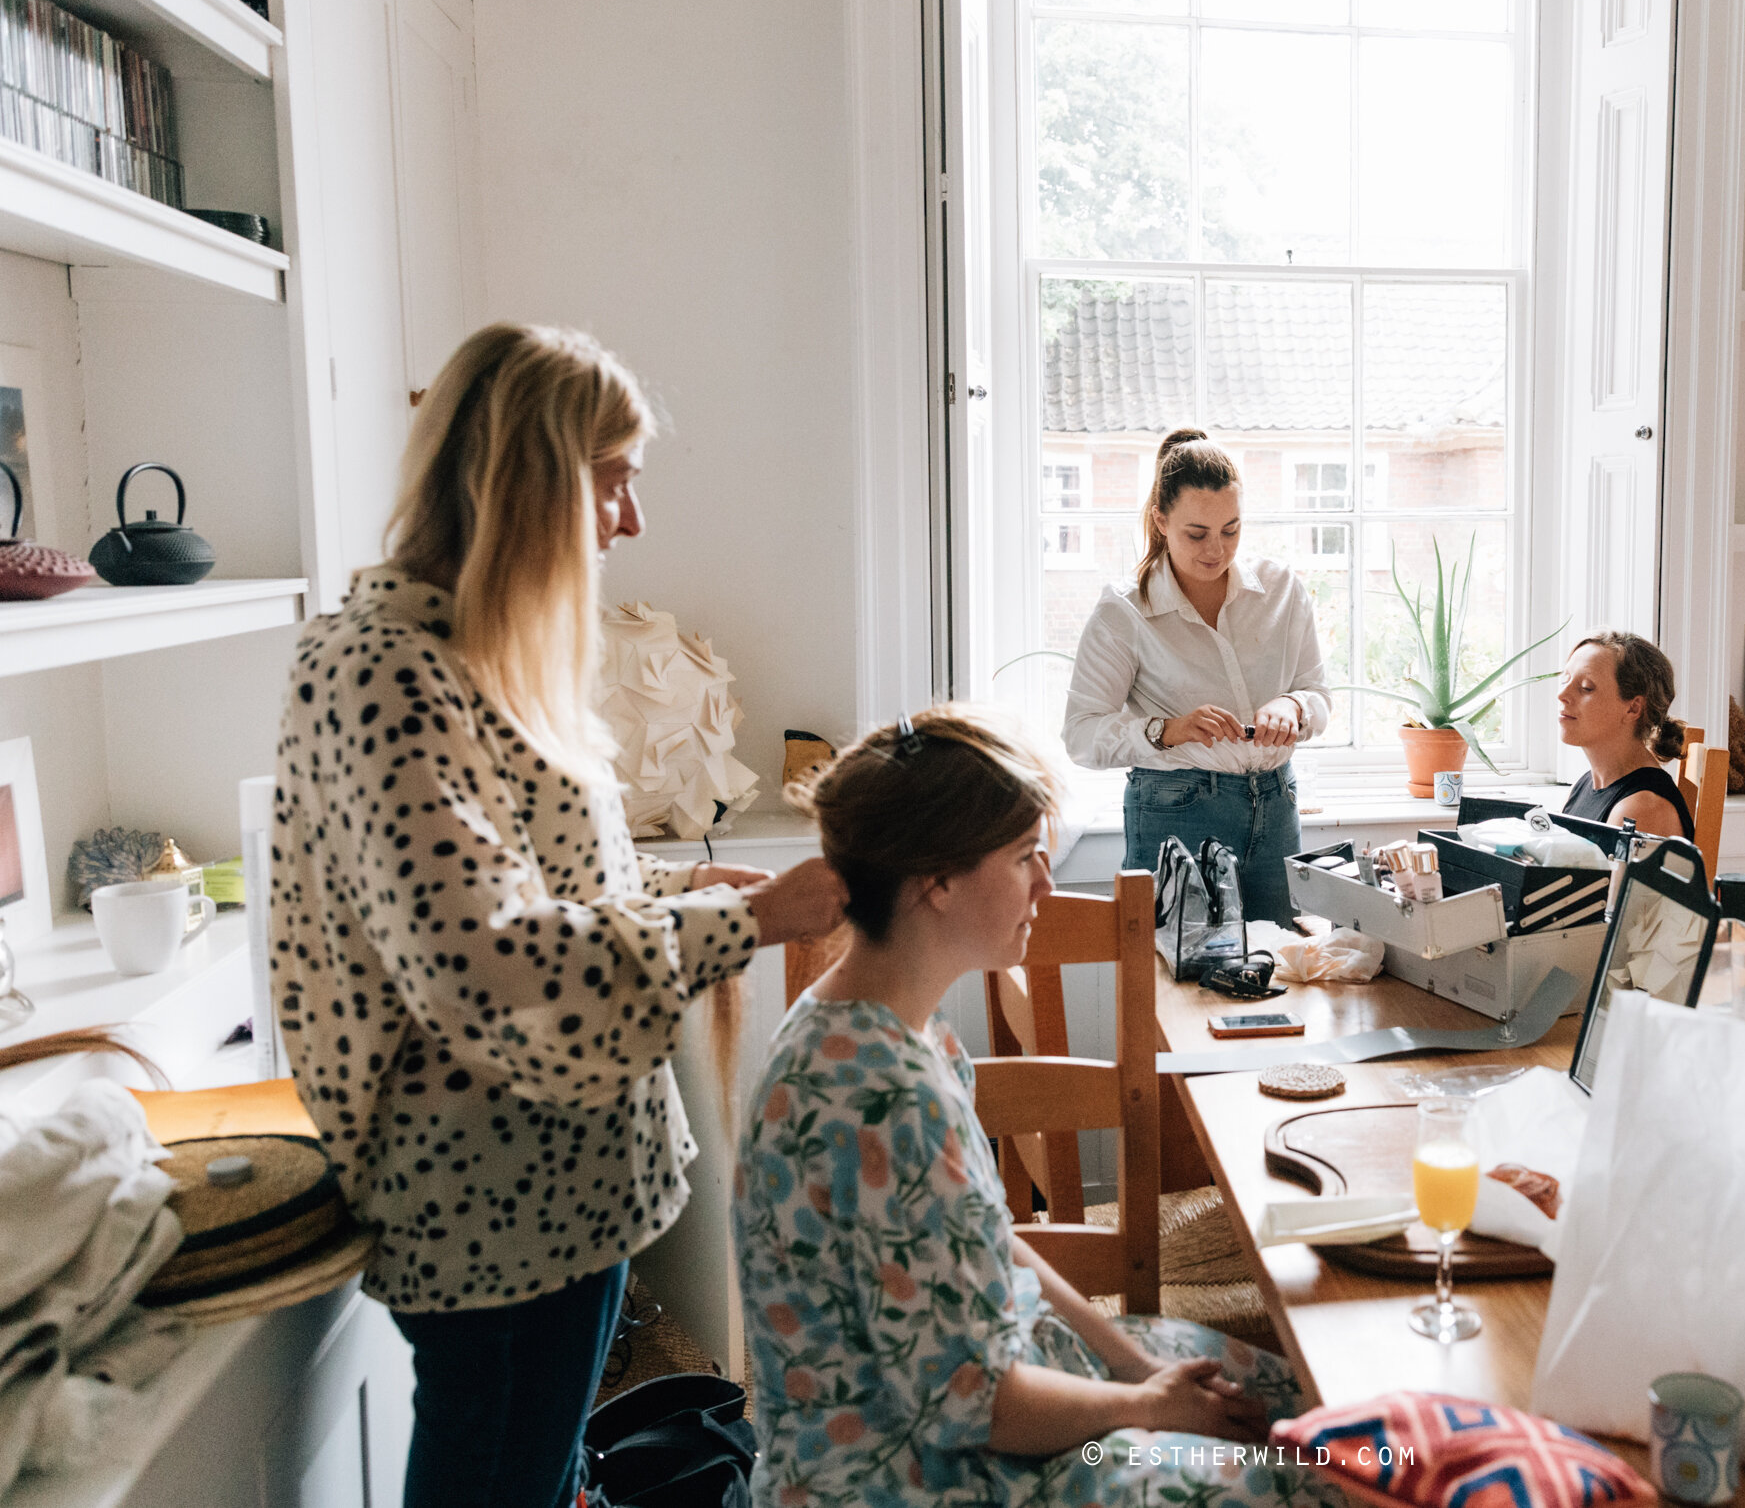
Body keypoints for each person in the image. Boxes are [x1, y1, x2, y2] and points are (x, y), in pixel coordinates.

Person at [270, 322, 845, 1508]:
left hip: (563, 1195)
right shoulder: (382, 669)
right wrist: (754, 923)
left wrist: (691, 891)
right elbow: (482, 957)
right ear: (529, 476)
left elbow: (552, 883)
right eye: (614, 477)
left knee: (545, 1475)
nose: (629, 519)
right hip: (488, 1213)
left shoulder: (477, 660)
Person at [737, 709, 1337, 1508]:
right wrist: (1149, 1405)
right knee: (1324, 1480)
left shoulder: (897, 1030)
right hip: (918, 1472)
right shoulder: (879, 1097)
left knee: (1312, 1407)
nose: (1048, 884)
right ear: (937, 880)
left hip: (1000, 1385)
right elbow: (975, 1405)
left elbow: (995, 1245)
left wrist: (1133, 1362)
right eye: (1025, 857)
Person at [1061, 430, 1331, 924]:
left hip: (1276, 808)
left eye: (1231, 530)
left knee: (1286, 980)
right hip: (1176, 813)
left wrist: (1292, 707)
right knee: (1177, 984)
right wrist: (1168, 730)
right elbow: (1080, 735)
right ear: (1161, 520)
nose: (1216, 549)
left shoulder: (1282, 590)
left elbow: (1318, 696)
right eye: (1197, 533)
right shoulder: (1125, 611)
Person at [1555, 630, 1694, 839]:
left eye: (1586, 688)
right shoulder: (1584, 785)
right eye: (1565, 680)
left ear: (1633, 708)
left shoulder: (1642, 809)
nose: (1562, 695)